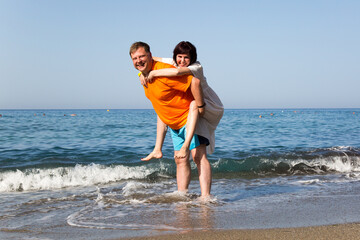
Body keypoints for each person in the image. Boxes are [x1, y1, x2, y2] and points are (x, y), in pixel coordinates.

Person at [129, 41, 212, 198]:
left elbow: (194, 82)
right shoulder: (144, 74)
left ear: (150, 55)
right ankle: (182, 195)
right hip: (174, 124)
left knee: (198, 156)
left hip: (189, 118)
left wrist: (200, 107)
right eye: (135, 58)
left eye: (142, 56)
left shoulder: (164, 71)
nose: (138, 61)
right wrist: (141, 74)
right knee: (180, 160)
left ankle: (206, 198)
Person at [141, 41, 223, 158]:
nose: (182, 61)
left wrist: (153, 73)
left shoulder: (196, 66)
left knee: (199, 154)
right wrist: (141, 74)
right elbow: (148, 59)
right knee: (163, 108)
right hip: (194, 104)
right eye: (180, 57)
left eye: (186, 58)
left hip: (209, 104)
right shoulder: (174, 62)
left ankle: (185, 146)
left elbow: (177, 71)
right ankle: (158, 149)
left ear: (192, 58)